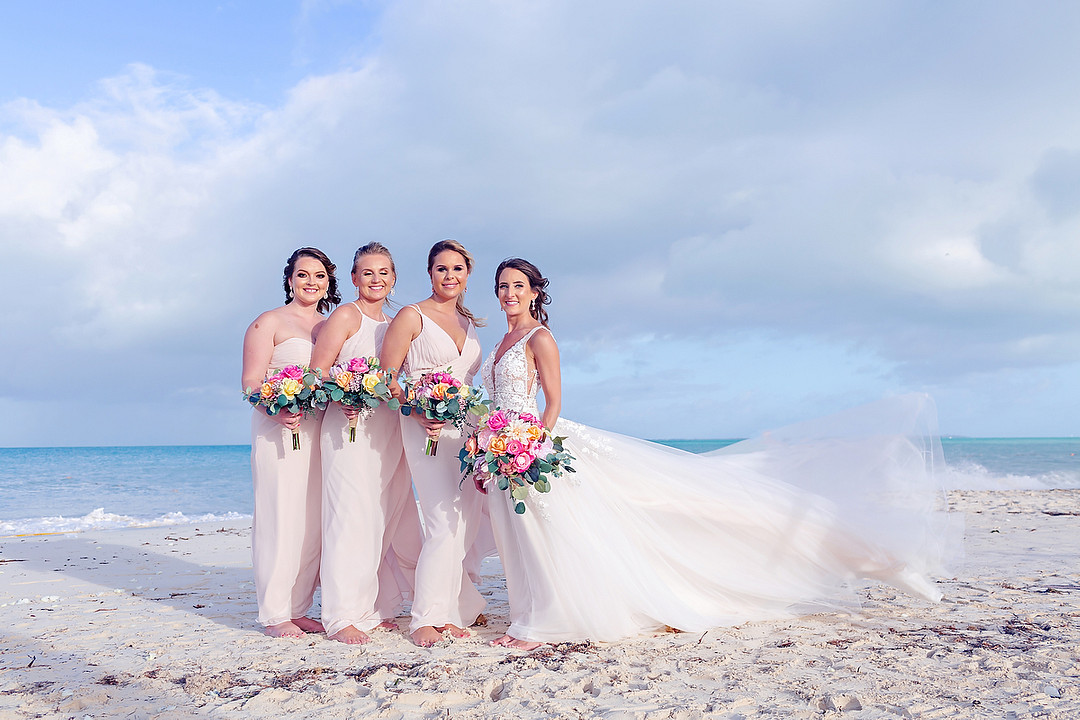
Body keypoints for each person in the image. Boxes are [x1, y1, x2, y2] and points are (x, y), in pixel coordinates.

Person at [478, 258, 955, 649]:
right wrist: (493, 443)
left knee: (642, 511)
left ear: (536, 292)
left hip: (536, 446)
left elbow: (555, 402)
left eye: (518, 285)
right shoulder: (498, 342)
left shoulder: (538, 338)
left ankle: (541, 624)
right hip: (505, 447)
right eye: (502, 286)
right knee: (533, 531)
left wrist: (531, 445)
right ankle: (531, 614)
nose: (509, 293)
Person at [310, 243, 424, 644]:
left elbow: (400, 379)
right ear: (355, 278)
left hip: (388, 430)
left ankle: (374, 608)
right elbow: (316, 373)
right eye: (366, 272)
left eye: (383, 273)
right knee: (349, 516)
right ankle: (341, 616)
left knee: (382, 516)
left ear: (393, 278)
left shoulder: (397, 322)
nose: (375, 280)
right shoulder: (346, 315)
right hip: (348, 427)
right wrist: (345, 393)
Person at [380, 239, 490, 647]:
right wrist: (417, 408)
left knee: (465, 522)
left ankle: (451, 610)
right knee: (443, 521)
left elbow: (469, 380)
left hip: (465, 428)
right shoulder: (412, 316)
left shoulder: (468, 320)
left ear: (467, 274)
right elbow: (386, 379)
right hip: (424, 426)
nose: (450, 276)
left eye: (458, 269)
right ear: (430, 273)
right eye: (442, 269)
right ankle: (424, 618)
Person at [240, 247, 340, 638]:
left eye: (319, 275)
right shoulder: (269, 322)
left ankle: (298, 607)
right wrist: (276, 409)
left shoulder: (330, 326)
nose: (311, 282)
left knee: (312, 520)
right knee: (279, 515)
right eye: (303, 275)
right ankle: (274, 613)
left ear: (328, 282)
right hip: (278, 429)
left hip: (321, 430)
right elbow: (250, 383)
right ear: (289, 280)